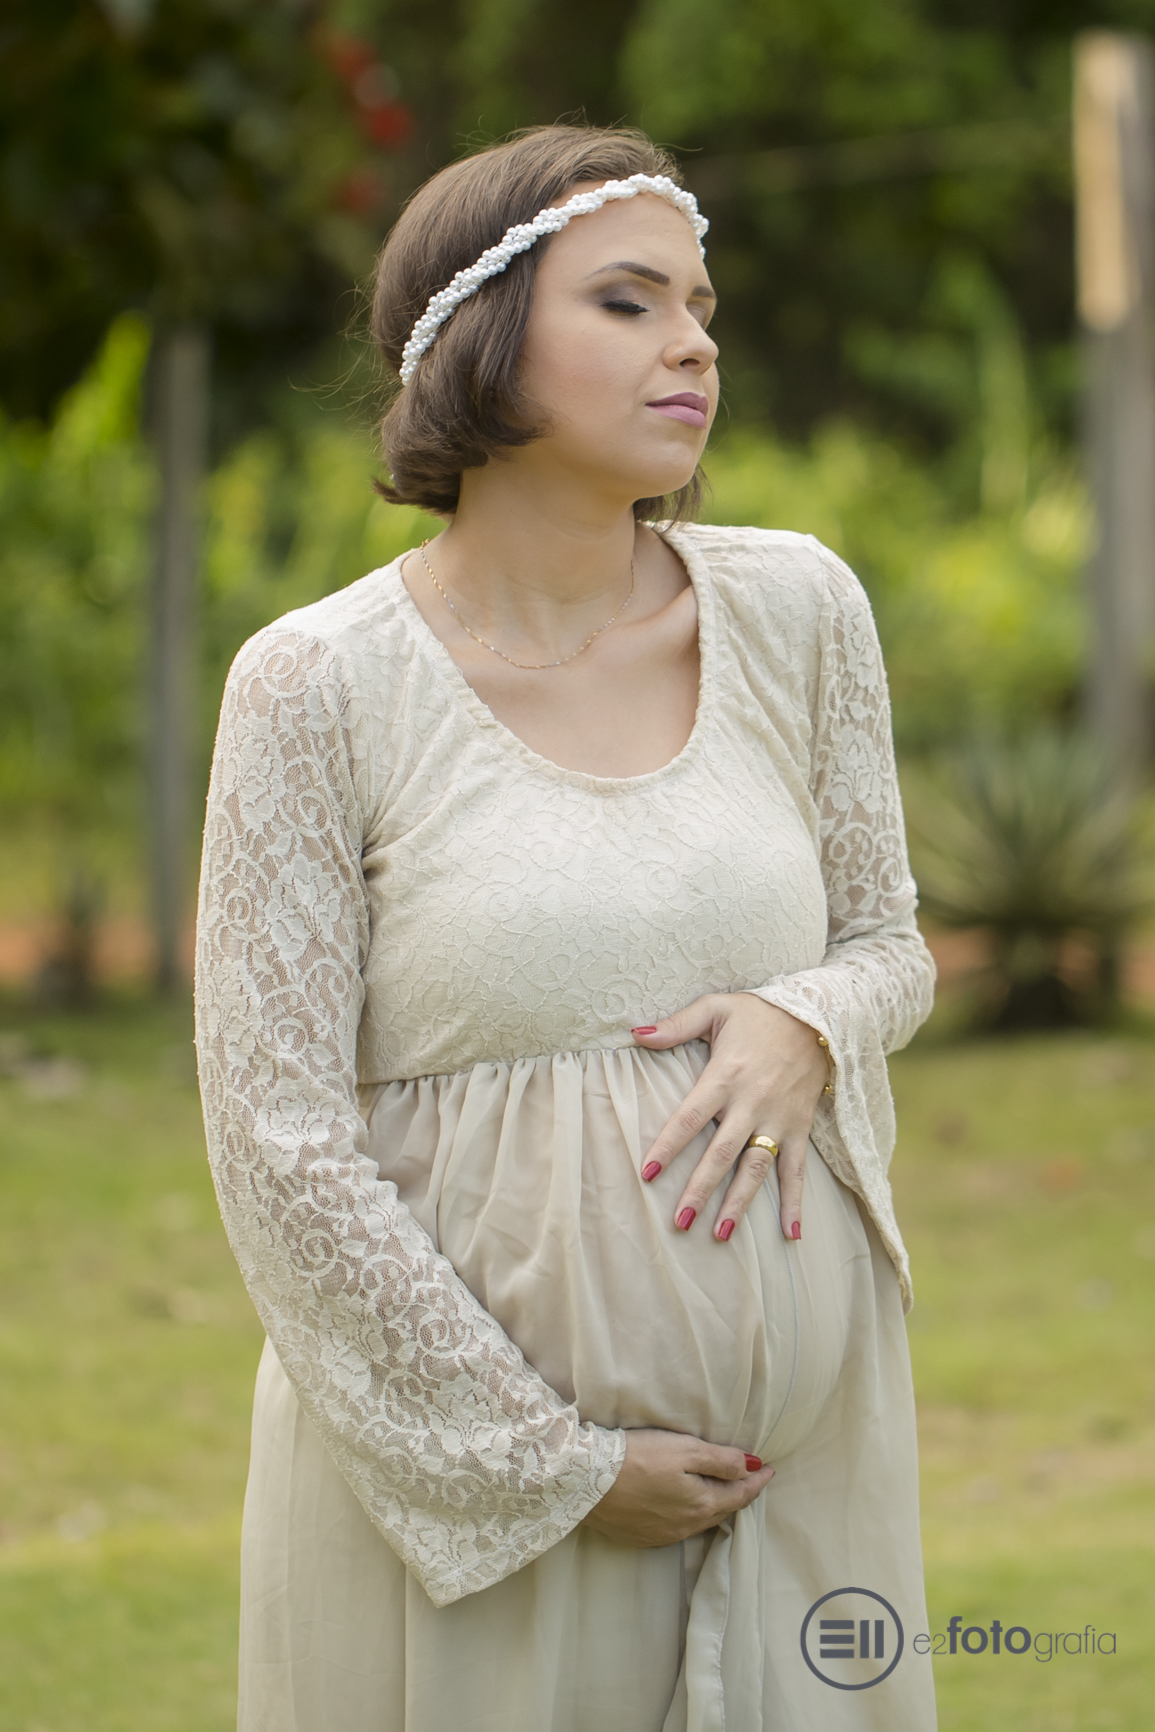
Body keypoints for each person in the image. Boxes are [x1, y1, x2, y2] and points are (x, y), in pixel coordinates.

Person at [195, 122, 938, 1732]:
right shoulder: (317, 687)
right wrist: (552, 1469)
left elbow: (890, 939)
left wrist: (809, 1021)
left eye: (703, 307)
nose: (695, 343)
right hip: (467, 1516)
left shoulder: (800, 610)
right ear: (477, 338)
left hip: (805, 1486)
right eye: (629, 301)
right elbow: (274, 1138)